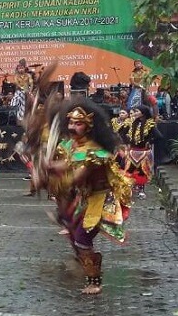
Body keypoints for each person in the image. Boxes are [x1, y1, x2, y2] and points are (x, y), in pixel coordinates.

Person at [45, 100, 132, 295]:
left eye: (78, 123)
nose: (73, 127)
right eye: (71, 123)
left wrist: (50, 173)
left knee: (82, 240)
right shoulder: (70, 145)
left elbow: (75, 178)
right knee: (74, 234)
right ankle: (91, 261)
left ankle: (95, 281)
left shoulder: (96, 152)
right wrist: (48, 166)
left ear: (89, 125)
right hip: (85, 198)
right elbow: (64, 165)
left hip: (101, 200)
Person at [123, 105, 159, 199]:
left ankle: (141, 189)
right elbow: (123, 134)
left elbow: (159, 136)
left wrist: (149, 141)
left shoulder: (149, 124)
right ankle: (129, 188)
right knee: (129, 170)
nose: (134, 113)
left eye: (136, 111)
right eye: (134, 112)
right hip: (132, 152)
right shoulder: (132, 123)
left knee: (142, 171)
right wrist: (126, 142)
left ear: (143, 113)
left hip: (144, 152)